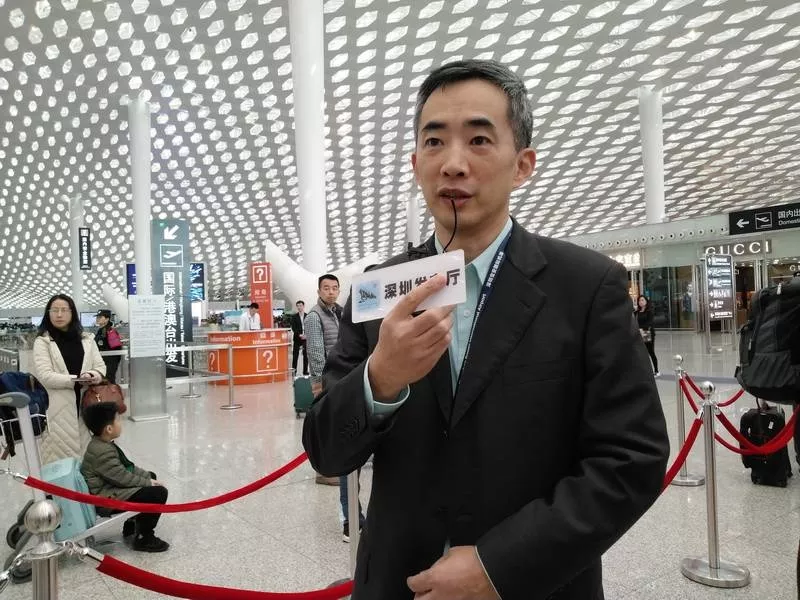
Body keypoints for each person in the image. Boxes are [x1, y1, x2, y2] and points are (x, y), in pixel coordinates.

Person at [303, 59, 669, 600]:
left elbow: (631, 459)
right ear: (416, 164)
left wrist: (500, 566)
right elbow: (326, 451)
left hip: (535, 587)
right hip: (397, 582)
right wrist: (380, 378)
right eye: (434, 142)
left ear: (522, 165)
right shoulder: (378, 292)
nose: (453, 164)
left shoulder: (586, 288)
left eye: (478, 140)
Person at [305, 274, 365, 536]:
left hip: (350, 383)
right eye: (326, 288)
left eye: (335, 288)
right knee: (345, 453)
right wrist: (320, 389)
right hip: (332, 386)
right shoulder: (314, 316)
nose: (331, 292)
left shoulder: (341, 312)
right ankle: (349, 519)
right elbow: (316, 355)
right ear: (319, 290)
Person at [81, 401, 170, 552]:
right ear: (109, 429)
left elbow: (127, 467)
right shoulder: (102, 451)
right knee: (158, 493)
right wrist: (149, 483)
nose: (121, 423)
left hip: (109, 488)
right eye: (118, 420)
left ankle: (132, 524)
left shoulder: (101, 443)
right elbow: (123, 477)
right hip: (106, 498)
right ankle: (144, 537)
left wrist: (148, 478)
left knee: (151, 476)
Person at [33, 294, 106, 465]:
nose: (59, 315)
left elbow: (100, 367)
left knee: (88, 462)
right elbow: (45, 375)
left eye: (64, 310)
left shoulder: (87, 340)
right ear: (48, 314)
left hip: (87, 407)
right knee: (61, 464)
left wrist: (93, 375)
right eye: (54, 310)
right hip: (57, 411)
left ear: (72, 313)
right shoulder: (43, 342)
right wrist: (77, 380)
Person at [94, 309, 122, 384]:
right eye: (97, 317)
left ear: (107, 319)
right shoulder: (101, 330)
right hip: (101, 363)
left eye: (100, 317)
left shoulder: (111, 332)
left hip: (109, 364)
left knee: (108, 383)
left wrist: (111, 367)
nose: (97, 319)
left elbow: (117, 351)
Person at [636, 295, 659, 376]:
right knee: (642, 353)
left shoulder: (649, 311)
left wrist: (642, 329)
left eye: (642, 300)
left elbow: (650, 322)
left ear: (646, 301)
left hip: (648, 333)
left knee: (651, 352)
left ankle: (656, 371)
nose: (641, 302)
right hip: (640, 334)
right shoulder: (637, 312)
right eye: (639, 300)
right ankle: (645, 371)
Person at [291, 300, 309, 376]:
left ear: (303, 306)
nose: (299, 307)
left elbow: (310, 327)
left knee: (306, 356)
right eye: (298, 306)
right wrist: (300, 335)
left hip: (306, 339)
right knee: (295, 356)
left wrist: (306, 335)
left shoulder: (307, 316)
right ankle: (294, 372)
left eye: (300, 305)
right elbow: (294, 328)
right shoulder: (294, 317)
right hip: (297, 339)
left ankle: (305, 371)